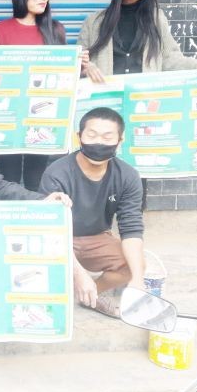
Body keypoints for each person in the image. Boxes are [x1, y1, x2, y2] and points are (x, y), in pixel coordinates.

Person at [39, 107, 145, 318]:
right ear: (79, 137)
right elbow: (50, 229)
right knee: (37, 275)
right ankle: (73, 288)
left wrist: (138, 279)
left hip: (96, 238)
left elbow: (131, 227)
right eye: (92, 135)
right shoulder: (57, 173)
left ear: (120, 141)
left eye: (107, 137)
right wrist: (79, 274)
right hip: (58, 238)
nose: (99, 143)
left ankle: (90, 294)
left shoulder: (128, 176)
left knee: (134, 266)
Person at [0, 0, 67, 191]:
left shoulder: (55, 30)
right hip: (9, 112)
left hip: (43, 112)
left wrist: (80, 63)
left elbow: (63, 71)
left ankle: (36, 208)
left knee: (36, 176)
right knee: (9, 174)